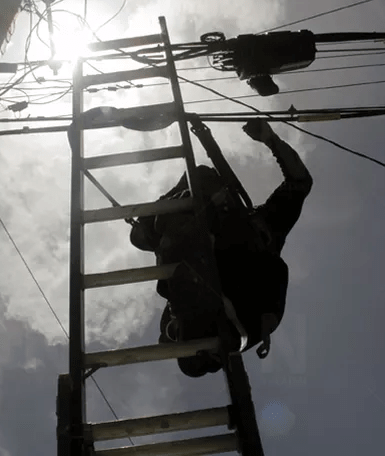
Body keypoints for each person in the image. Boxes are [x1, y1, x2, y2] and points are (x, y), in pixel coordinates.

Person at [129, 119, 313, 377]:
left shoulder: (264, 228)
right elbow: (300, 183)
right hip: (209, 267)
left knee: (198, 186)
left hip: (229, 286)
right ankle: (198, 338)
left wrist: (271, 140)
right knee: (193, 189)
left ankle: (200, 338)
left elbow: (300, 183)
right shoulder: (255, 227)